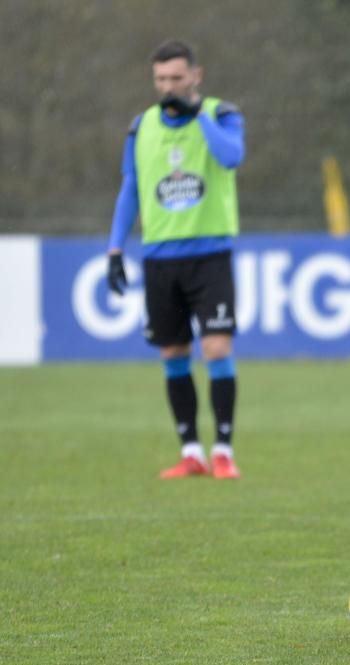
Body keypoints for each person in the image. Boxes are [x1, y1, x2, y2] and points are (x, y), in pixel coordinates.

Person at [106, 39, 244, 480]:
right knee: (173, 351)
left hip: (210, 253)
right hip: (160, 258)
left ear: (195, 77)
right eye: (161, 80)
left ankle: (223, 449)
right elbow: (131, 188)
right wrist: (115, 247)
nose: (168, 87)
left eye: (177, 78)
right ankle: (191, 451)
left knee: (217, 346)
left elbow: (231, 156)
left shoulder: (222, 114)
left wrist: (197, 114)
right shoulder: (140, 126)